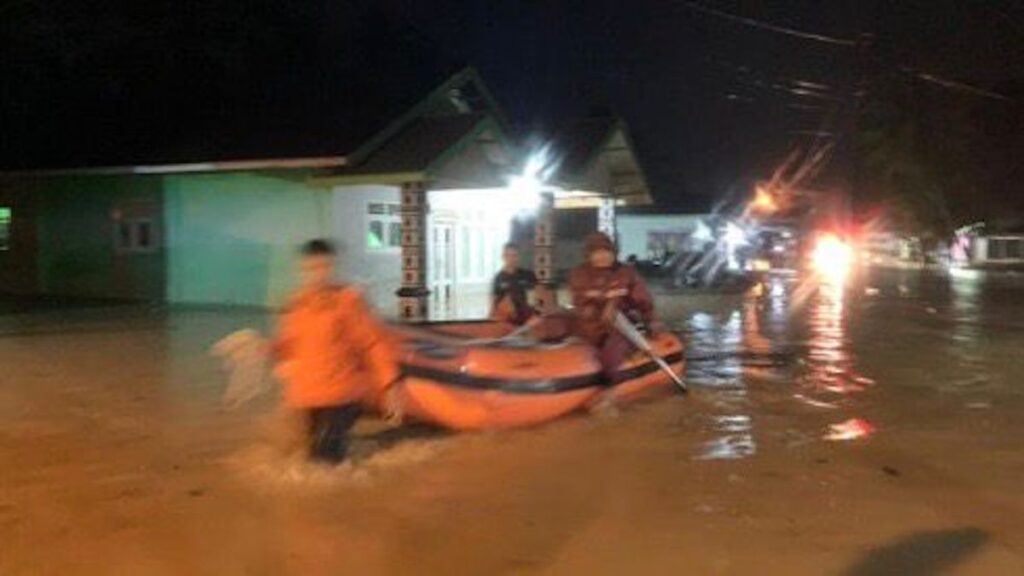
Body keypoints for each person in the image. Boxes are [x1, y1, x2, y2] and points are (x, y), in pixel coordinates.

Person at [271, 239, 398, 464]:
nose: (318, 274)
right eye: (312, 268)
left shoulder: (347, 301)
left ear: (332, 268)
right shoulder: (295, 305)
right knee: (309, 453)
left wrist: (390, 385)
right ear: (302, 270)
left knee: (322, 463)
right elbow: (289, 347)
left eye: (324, 267)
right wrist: (263, 347)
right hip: (307, 396)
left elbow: (373, 344)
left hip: (342, 396)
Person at [568, 231, 657, 379]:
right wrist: (599, 308)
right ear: (589, 255)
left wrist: (652, 321)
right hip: (590, 326)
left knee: (612, 354)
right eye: (597, 252)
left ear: (613, 253)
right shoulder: (579, 274)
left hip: (619, 327)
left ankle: (610, 389)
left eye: (607, 252)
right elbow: (580, 300)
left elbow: (643, 300)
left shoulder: (625, 273)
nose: (603, 256)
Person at [490, 242, 539, 325]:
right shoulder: (498, 278)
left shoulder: (528, 275)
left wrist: (536, 316)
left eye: (514, 255)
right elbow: (494, 305)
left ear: (518, 257)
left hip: (529, 321)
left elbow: (538, 299)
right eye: (508, 255)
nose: (512, 259)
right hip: (508, 322)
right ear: (503, 257)